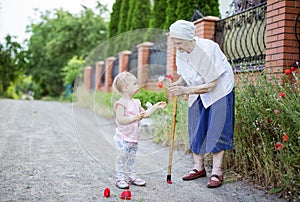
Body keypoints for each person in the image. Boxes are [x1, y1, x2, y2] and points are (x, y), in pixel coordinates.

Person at [168, 20, 235, 188]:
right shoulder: (182, 50)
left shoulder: (208, 50)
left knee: (216, 127)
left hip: (220, 90)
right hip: (196, 88)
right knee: (196, 125)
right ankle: (198, 168)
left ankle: (217, 172)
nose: (176, 46)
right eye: (174, 43)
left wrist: (185, 91)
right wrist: (179, 83)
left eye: (179, 42)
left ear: (189, 38)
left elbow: (211, 85)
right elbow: (184, 72)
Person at [112, 71, 167, 189]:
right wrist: (133, 118)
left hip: (133, 138)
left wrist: (155, 107)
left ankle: (131, 176)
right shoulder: (121, 104)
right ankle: (119, 178)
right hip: (123, 138)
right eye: (135, 83)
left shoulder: (136, 102)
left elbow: (145, 114)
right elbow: (120, 119)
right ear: (126, 88)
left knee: (131, 158)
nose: (138, 85)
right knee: (122, 158)